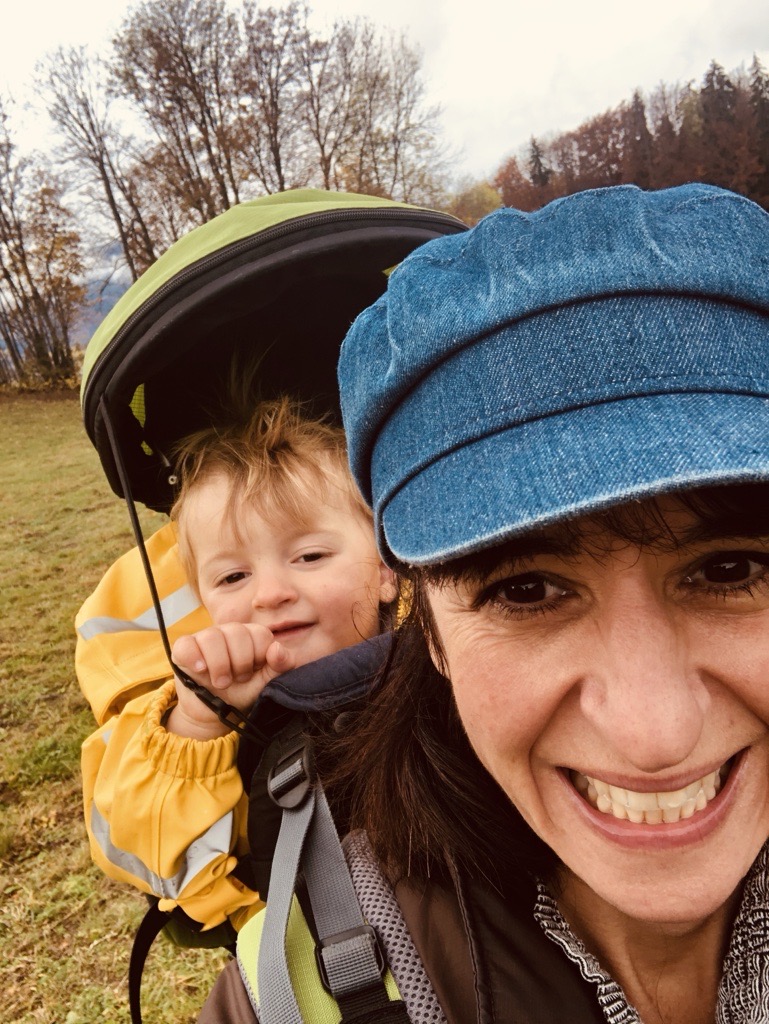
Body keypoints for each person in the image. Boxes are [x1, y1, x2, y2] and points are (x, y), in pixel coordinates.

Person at [199, 182, 769, 1024]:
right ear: (426, 631)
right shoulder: (297, 992)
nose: (655, 735)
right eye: (527, 590)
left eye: (727, 571)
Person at [80, 398, 397, 934]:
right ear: (203, 595)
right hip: (307, 949)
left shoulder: (443, 647)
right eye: (232, 579)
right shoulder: (196, 706)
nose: (270, 595)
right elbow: (144, 851)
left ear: (387, 568)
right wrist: (197, 723)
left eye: (310, 557)